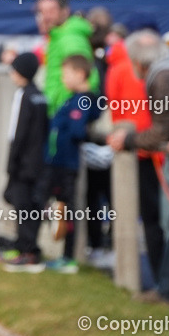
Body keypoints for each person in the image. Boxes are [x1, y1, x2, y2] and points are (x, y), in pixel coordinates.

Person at [108, 30, 169, 301]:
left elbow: (160, 131)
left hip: (154, 156)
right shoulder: (163, 72)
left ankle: (165, 289)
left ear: (136, 62)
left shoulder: (161, 77)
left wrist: (130, 139)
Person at [0, 53, 49, 272]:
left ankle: (28, 252)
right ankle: (30, 249)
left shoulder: (23, 96)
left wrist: (11, 164)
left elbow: (17, 133)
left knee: (22, 207)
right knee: (33, 207)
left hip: (24, 164)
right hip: (39, 164)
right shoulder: (41, 96)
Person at [42, 54, 100, 273]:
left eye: (66, 73)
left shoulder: (85, 99)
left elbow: (78, 131)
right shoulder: (72, 97)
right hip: (56, 162)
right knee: (57, 208)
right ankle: (51, 253)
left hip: (67, 165)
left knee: (68, 210)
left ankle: (68, 258)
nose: (63, 78)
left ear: (80, 74)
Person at [35, 0, 98, 116]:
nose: (45, 17)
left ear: (64, 11)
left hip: (66, 114)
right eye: (41, 12)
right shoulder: (56, 37)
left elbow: (87, 78)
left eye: (51, 11)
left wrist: (68, 108)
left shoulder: (70, 38)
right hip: (57, 110)